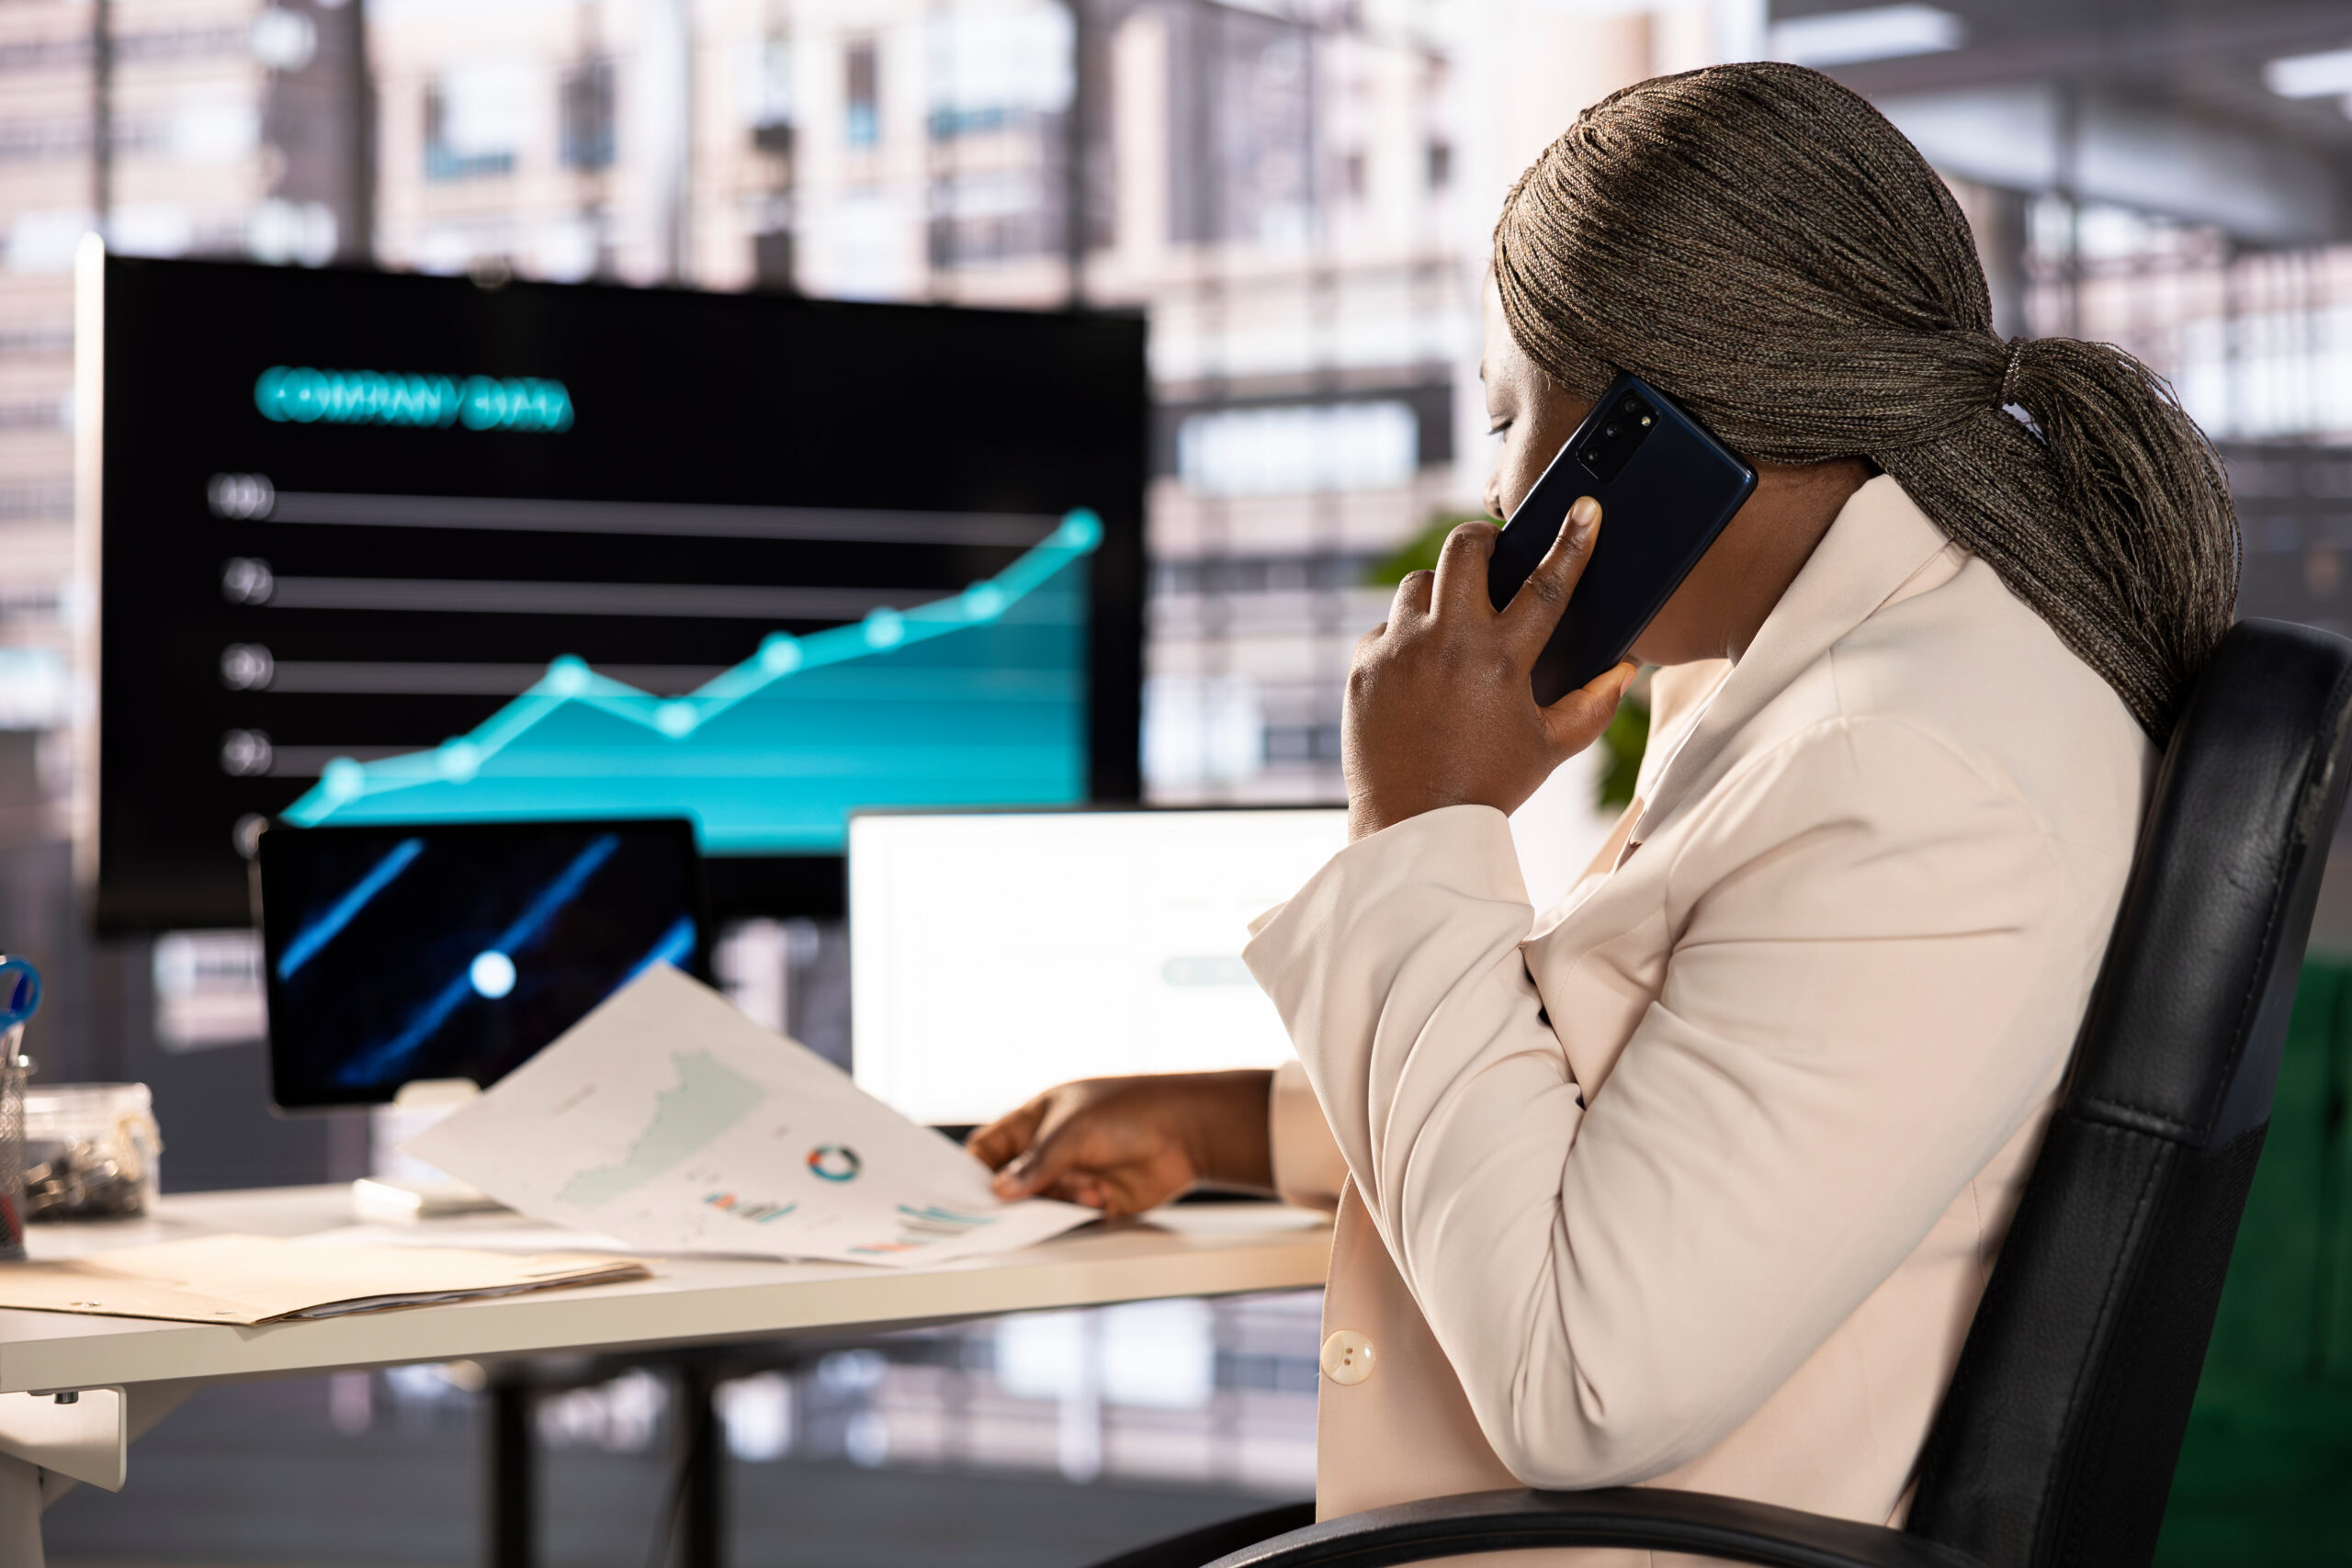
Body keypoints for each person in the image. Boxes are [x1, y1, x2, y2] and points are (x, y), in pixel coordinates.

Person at [970, 61, 2238, 1556]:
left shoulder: (1897, 767)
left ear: (1653, 436)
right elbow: (1686, 1104)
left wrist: (1424, 824)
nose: (1502, 498)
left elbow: (1582, 1389)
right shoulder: (1880, 677)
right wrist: (1233, 1119)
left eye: (1515, 418)